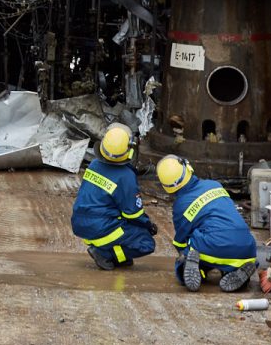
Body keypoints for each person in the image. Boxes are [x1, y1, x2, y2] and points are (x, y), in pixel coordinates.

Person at [156, 154, 257, 292]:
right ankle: (238, 271)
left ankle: (193, 267)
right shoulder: (214, 185)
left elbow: (181, 240)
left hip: (214, 244)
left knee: (192, 246)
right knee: (222, 255)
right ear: (188, 167)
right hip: (248, 247)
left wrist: (184, 254)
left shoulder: (181, 205)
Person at [71, 124, 158, 270]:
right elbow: (133, 213)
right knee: (146, 243)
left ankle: (117, 254)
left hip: (80, 223)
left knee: (121, 222)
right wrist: (148, 225)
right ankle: (105, 253)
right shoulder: (126, 177)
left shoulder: (94, 164)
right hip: (100, 227)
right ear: (129, 150)